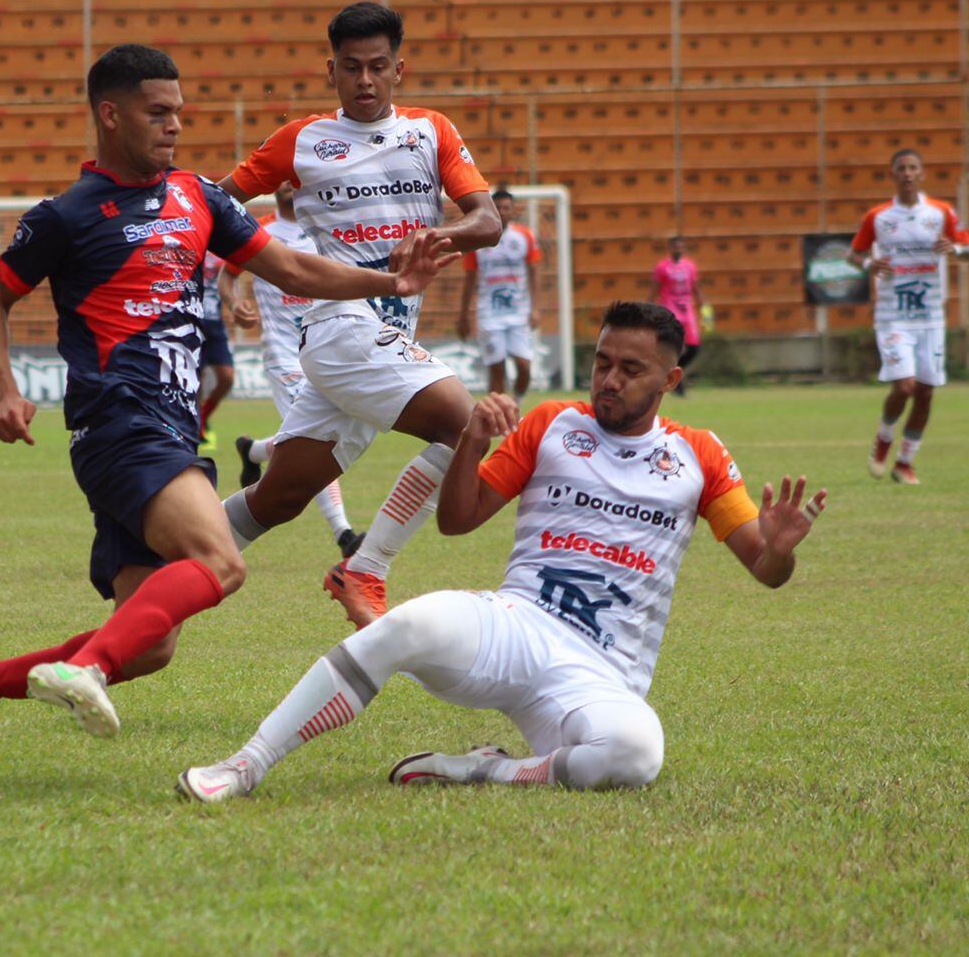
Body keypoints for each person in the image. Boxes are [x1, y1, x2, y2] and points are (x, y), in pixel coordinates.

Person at [0, 44, 454, 740]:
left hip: (168, 429)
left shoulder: (197, 198)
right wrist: (5, 391)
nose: (174, 126)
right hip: (121, 421)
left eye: (178, 113)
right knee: (219, 561)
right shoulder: (65, 216)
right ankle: (85, 669)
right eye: (157, 113)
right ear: (110, 115)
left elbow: (294, 270)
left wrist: (391, 283)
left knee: (148, 646)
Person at [176, 301, 828, 802]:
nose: (610, 380)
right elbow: (459, 521)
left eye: (631, 370)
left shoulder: (699, 454)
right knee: (408, 624)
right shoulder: (552, 425)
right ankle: (243, 767)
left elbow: (765, 571)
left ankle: (488, 770)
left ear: (671, 378)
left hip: (600, 673)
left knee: (637, 753)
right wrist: (472, 442)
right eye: (603, 363)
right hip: (516, 626)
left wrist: (778, 547)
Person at [216, 1, 506, 629]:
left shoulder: (431, 131)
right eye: (352, 68)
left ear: (400, 68)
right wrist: (220, 270)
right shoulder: (302, 140)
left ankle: (171, 553)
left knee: (280, 497)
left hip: (386, 337)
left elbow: (488, 221)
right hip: (341, 328)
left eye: (378, 67)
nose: (366, 81)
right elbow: (216, 203)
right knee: (464, 423)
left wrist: (437, 238)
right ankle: (365, 568)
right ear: (332, 71)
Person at [220, 184, 364, 559]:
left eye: (294, 177)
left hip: (328, 352)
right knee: (315, 443)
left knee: (308, 438)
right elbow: (227, 276)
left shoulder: (325, 229)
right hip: (285, 355)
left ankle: (252, 451)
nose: (288, 184)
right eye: (281, 178)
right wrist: (235, 304)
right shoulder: (258, 231)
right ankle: (344, 534)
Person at [849, 147, 969, 485]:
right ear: (893, 174)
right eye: (901, 167)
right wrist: (866, 264)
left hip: (931, 315)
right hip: (893, 316)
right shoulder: (879, 217)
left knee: (926, 391)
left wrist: (957, 249)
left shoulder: (940, 212)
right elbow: (853, 253)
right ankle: (883, 440)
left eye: (913, 167)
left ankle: (905, 463)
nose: (907, 173)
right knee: (904, 386)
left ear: (922, 173)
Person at [456, 188, 543, 398]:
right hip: (489, 313)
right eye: (499, 208)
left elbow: (534, 273)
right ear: (492, 210)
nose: (503, 212)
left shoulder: (524, 236)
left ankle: (515, 403)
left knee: (524, 366)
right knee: (497, 369)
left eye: (507, 208)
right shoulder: (479, 239)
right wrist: (464, 315)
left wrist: (536, 308)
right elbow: (470, 280)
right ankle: (497, 418)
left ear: (513, 211)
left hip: (519, 312)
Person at [651, 236, 706, 396]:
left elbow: (695, 287)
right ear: (670, 248)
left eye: (681, 247)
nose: (679, 249)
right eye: (676, 247)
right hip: (670, 308)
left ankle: (674, 375)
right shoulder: (662, 267)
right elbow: (654, 289)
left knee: (694, 347)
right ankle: (677, 383)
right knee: (673, 347)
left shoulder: (690, 266)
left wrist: (703, 304)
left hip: (687, 309)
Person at [195, 250, 235, 451]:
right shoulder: (192, 245)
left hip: (216, 325)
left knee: (227, 377)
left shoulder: (221, 248)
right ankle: (196, 428)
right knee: (196, 380)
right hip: (193, 322)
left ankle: (201, 418)